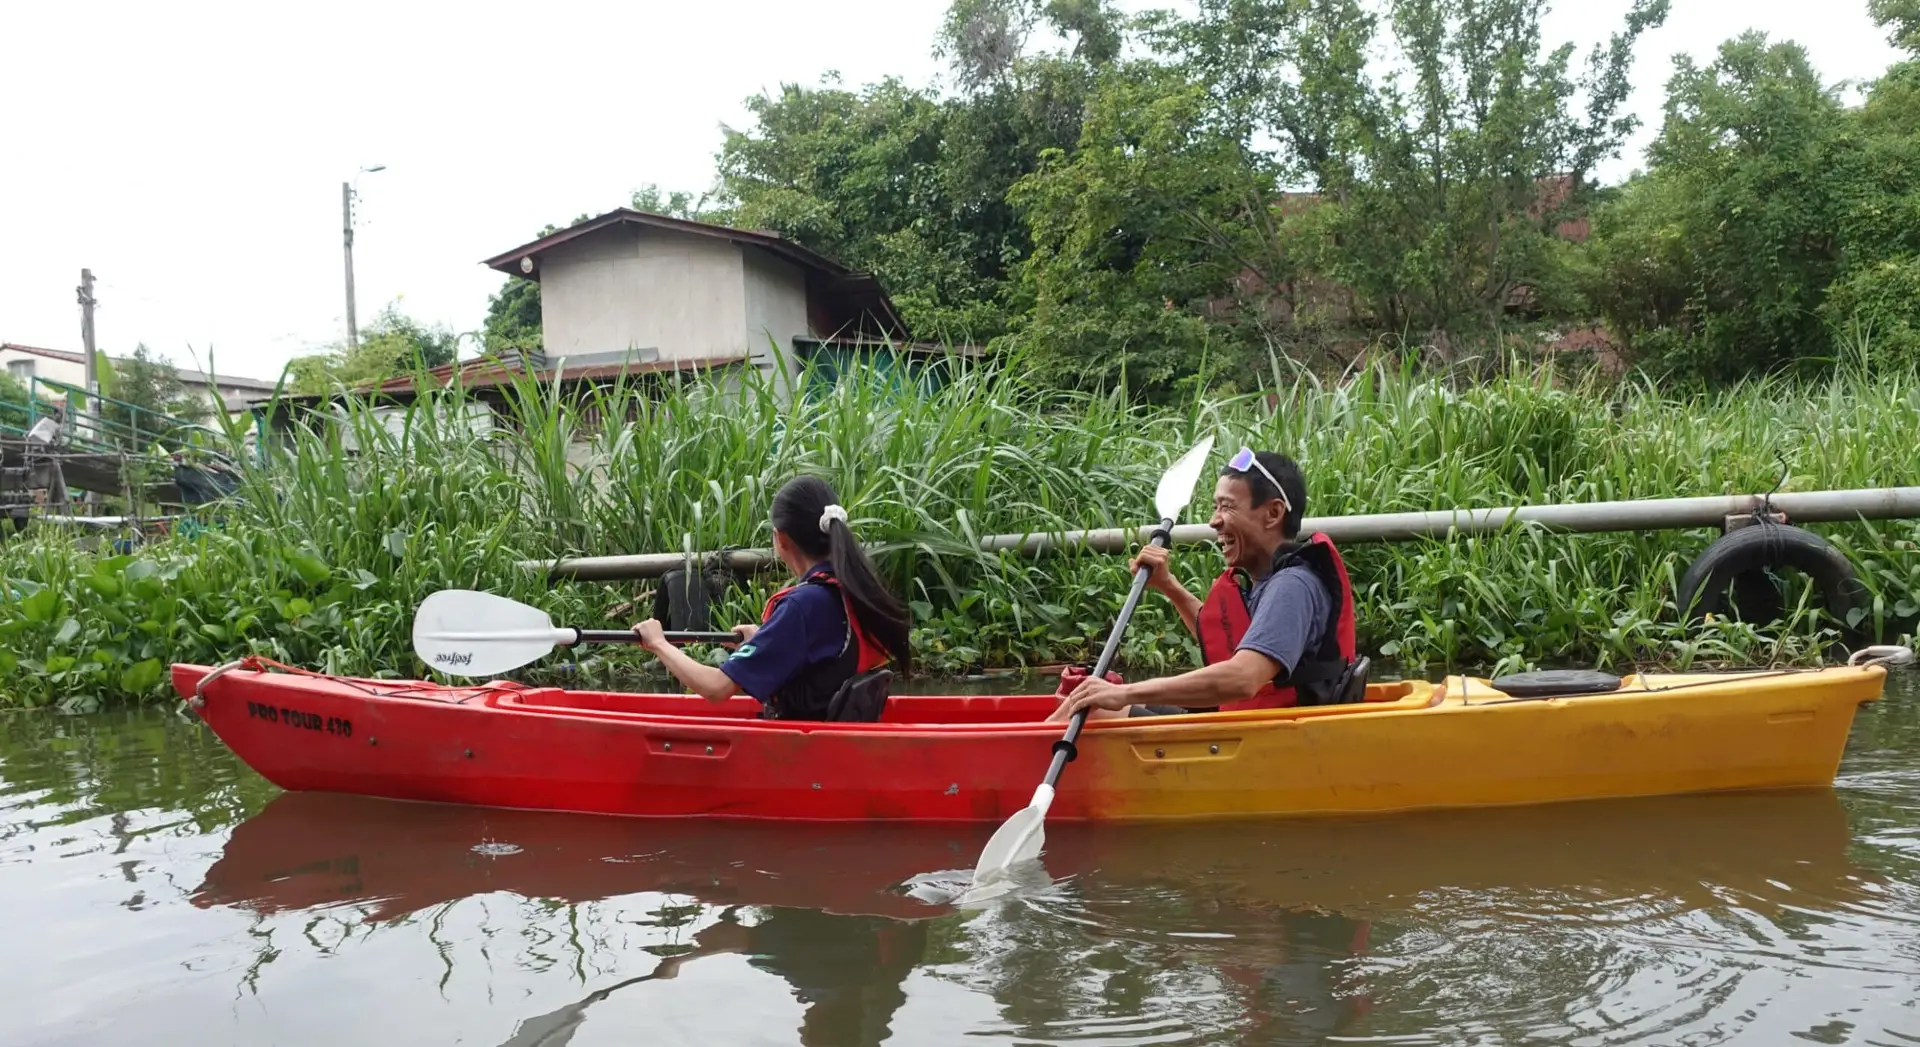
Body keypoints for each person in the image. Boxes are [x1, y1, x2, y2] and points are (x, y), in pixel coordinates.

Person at [1048, 447, 1357, 721]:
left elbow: (1244, 678)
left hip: (1268, 745)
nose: (1214, 520)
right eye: (1215, 507)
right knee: (1088, 699)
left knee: (1094, 710)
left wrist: (1125, 693)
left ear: (1273, 513)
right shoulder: (1270, 580)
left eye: (1227, 506)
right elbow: (1220, 632)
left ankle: (1009, 778)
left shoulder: (1292, 586)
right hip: (1249, 727)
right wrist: (1168, 585)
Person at [632, 475, 913, 721]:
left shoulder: (804, 605)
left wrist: (659, 643)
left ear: (781, 539)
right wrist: (763, 640)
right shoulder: (853, 590)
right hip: (831, 741)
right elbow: (822, 667)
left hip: (803, 753)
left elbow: (716, 688)